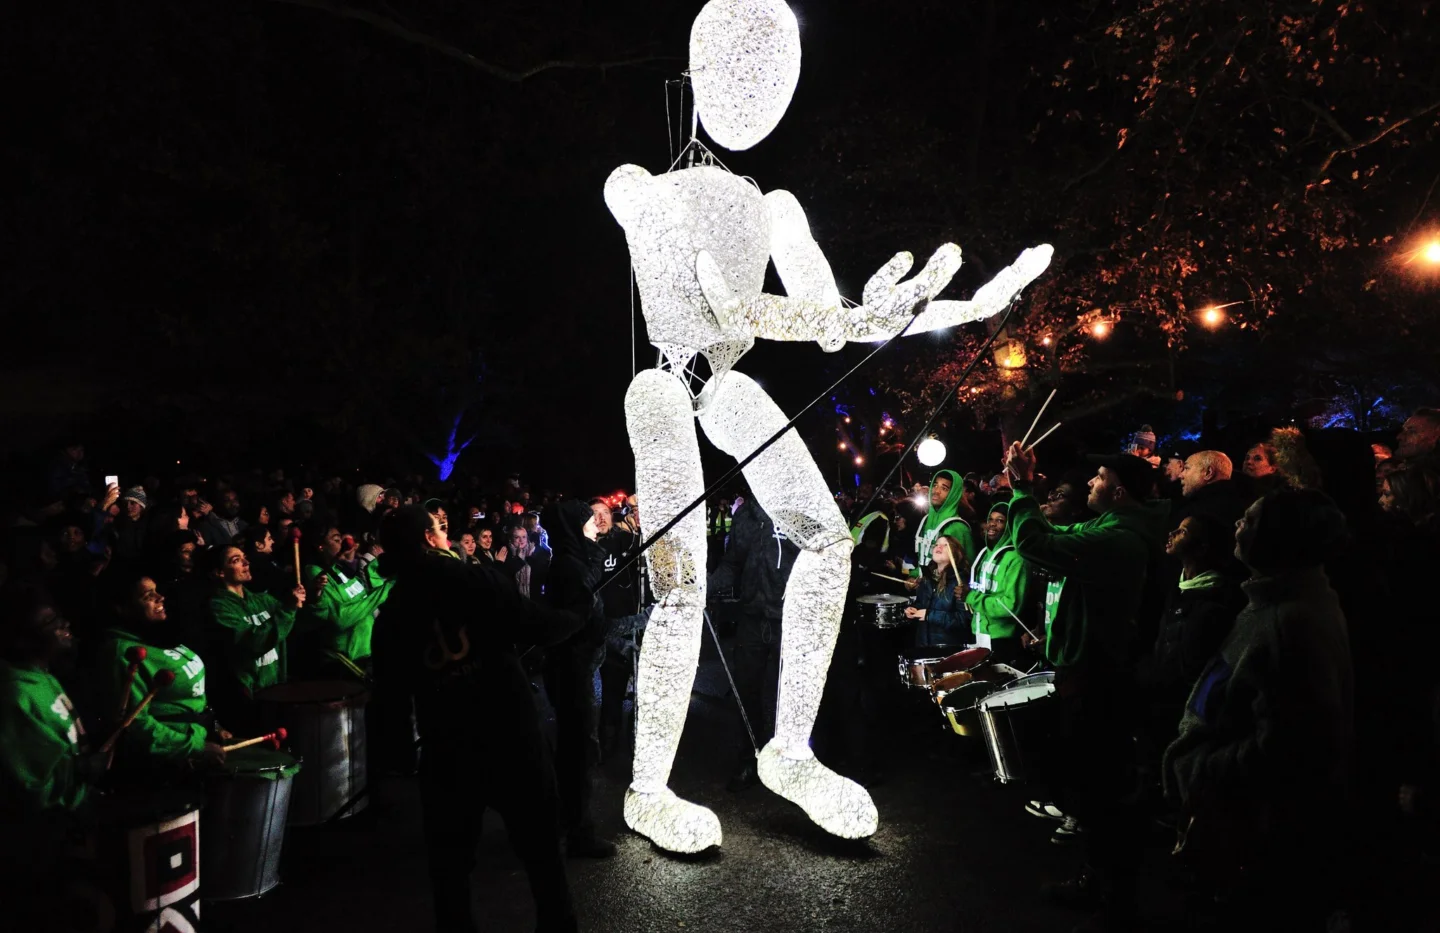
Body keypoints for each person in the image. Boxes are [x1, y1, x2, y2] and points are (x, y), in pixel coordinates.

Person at [372, 505, 587, 933]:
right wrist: (578, 614)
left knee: (450, 872)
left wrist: (398, 754)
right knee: (542, 854)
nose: (446, 536)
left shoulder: (393, 613)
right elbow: (537, 624)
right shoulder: (471, 578)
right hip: (510, 735)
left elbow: (390, 697)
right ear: (428, 540)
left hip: (447, 748)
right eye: (440, 529)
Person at [1164, 489, 1353, 930]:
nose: (1237, 526)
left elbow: (1290, 745)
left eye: (1249, 521)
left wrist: (1203, 766)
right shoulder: (1271, 604)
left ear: (1278, 539)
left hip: (1257, 824)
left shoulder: (1290, 622)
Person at [1004, 445, 1168, 929]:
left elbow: (1037, 544)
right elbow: (1051, 533)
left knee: (1104, 793)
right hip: (1088, 672)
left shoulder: (1121, 539)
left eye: (1097, 478)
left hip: (1102, 677)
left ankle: (1114, 903)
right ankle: (1097, 883)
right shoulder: (1107, 529)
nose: (1089, 484)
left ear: (1117, 491)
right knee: (1094, 788)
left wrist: (1020, 491)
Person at [0, 584, 105, 880]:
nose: (64, 624)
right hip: (46, 838)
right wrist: (81, 769)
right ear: (21, 638)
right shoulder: (14, 693)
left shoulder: (43, 676)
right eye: (50, 622)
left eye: (58, 617)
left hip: (73, 818)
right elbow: (29, 784)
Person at [709, 497, 799, 791]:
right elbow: (732, 563)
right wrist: (705, 587)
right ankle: (749, 759)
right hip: (751, 617)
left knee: (786, 696)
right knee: (745, 690)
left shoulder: (796, 509)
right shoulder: (745, 514)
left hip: (787, 618)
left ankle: (789, 763)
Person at [540, 500, 615, 856]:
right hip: (571, 669)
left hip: (573, 666)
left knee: (573, 749)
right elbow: (580, 611)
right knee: (577, 751)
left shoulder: (574, 559)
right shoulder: (569, 566)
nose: (594, 525)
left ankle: (562, 820)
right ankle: (579, 833)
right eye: (587, 521)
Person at [94, 574, 227, 772]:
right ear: (123, 608)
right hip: (165, 762)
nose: (160, 597)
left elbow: (188, 698)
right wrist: (194, 747)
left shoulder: (157, 636)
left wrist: (214, 727)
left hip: (196, 742)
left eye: (157, 590)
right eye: (148, 596)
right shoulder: (123, 653)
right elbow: (134, 723)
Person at [206, 545, 306, 730]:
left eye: (244, 557)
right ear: (219, 572)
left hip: (276, 692)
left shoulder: (262, 600)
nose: (246, 562)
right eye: (236, 560)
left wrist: (313, 597)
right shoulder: (218, 608)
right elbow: (253, 642)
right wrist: (289, 610)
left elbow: (294, 623)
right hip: (249, 699)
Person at [590, 498, 649, 760]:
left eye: (605, 512)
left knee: (642, 691)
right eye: (595, 514)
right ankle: (607, 741)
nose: (601, 518)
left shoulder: (624, 540)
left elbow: (645, 536)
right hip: (608, 631)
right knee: (612, 690)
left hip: (635, 625)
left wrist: (639, 512)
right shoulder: (587, 551)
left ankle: (637, 742)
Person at [299, 523, 393, 676]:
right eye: (336, 540)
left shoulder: (340, 568)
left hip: (367, 651)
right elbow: (341, 618)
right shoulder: (315, 574)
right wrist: (387, 588)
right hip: (346, 661)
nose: (342, 543)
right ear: (320, 546)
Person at [965, 503, 1034, 662]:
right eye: (991, 519)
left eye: (1000, 521)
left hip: (1003, 639)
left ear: (1010, 526)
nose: (993, 524)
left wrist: (972, 597)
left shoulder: (1017, 559)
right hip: (980, 634)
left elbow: (1010, 607)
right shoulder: (986, 554)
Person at [904, 533, 970, 647]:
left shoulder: (960, 581)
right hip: (923, 644)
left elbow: (963, 620)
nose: (938, 547)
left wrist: (930, 615)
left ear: (955, 554)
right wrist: (913, 609)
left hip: (947, 649)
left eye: (945, 545)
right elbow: (922, 604)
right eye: (936, 544)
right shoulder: (927, 577)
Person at [914, 469, 978, 576]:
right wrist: (915, 575)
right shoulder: (926, 520)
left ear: (953, 494)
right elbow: (923, 559)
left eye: (944, 488)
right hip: (925, 589)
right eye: (935, 485)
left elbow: (966, 569)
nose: (936, 491)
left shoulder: (958, 527)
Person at [500, 525, 550, 600]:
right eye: (517, 537)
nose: (521, 540)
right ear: (511, 539)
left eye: (524, 537)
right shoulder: (505, 552)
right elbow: (505, 576)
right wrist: (519, 558)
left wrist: (532, 559)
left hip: (534, 599)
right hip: (513, 600)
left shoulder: (535, 551)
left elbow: (542, 576)